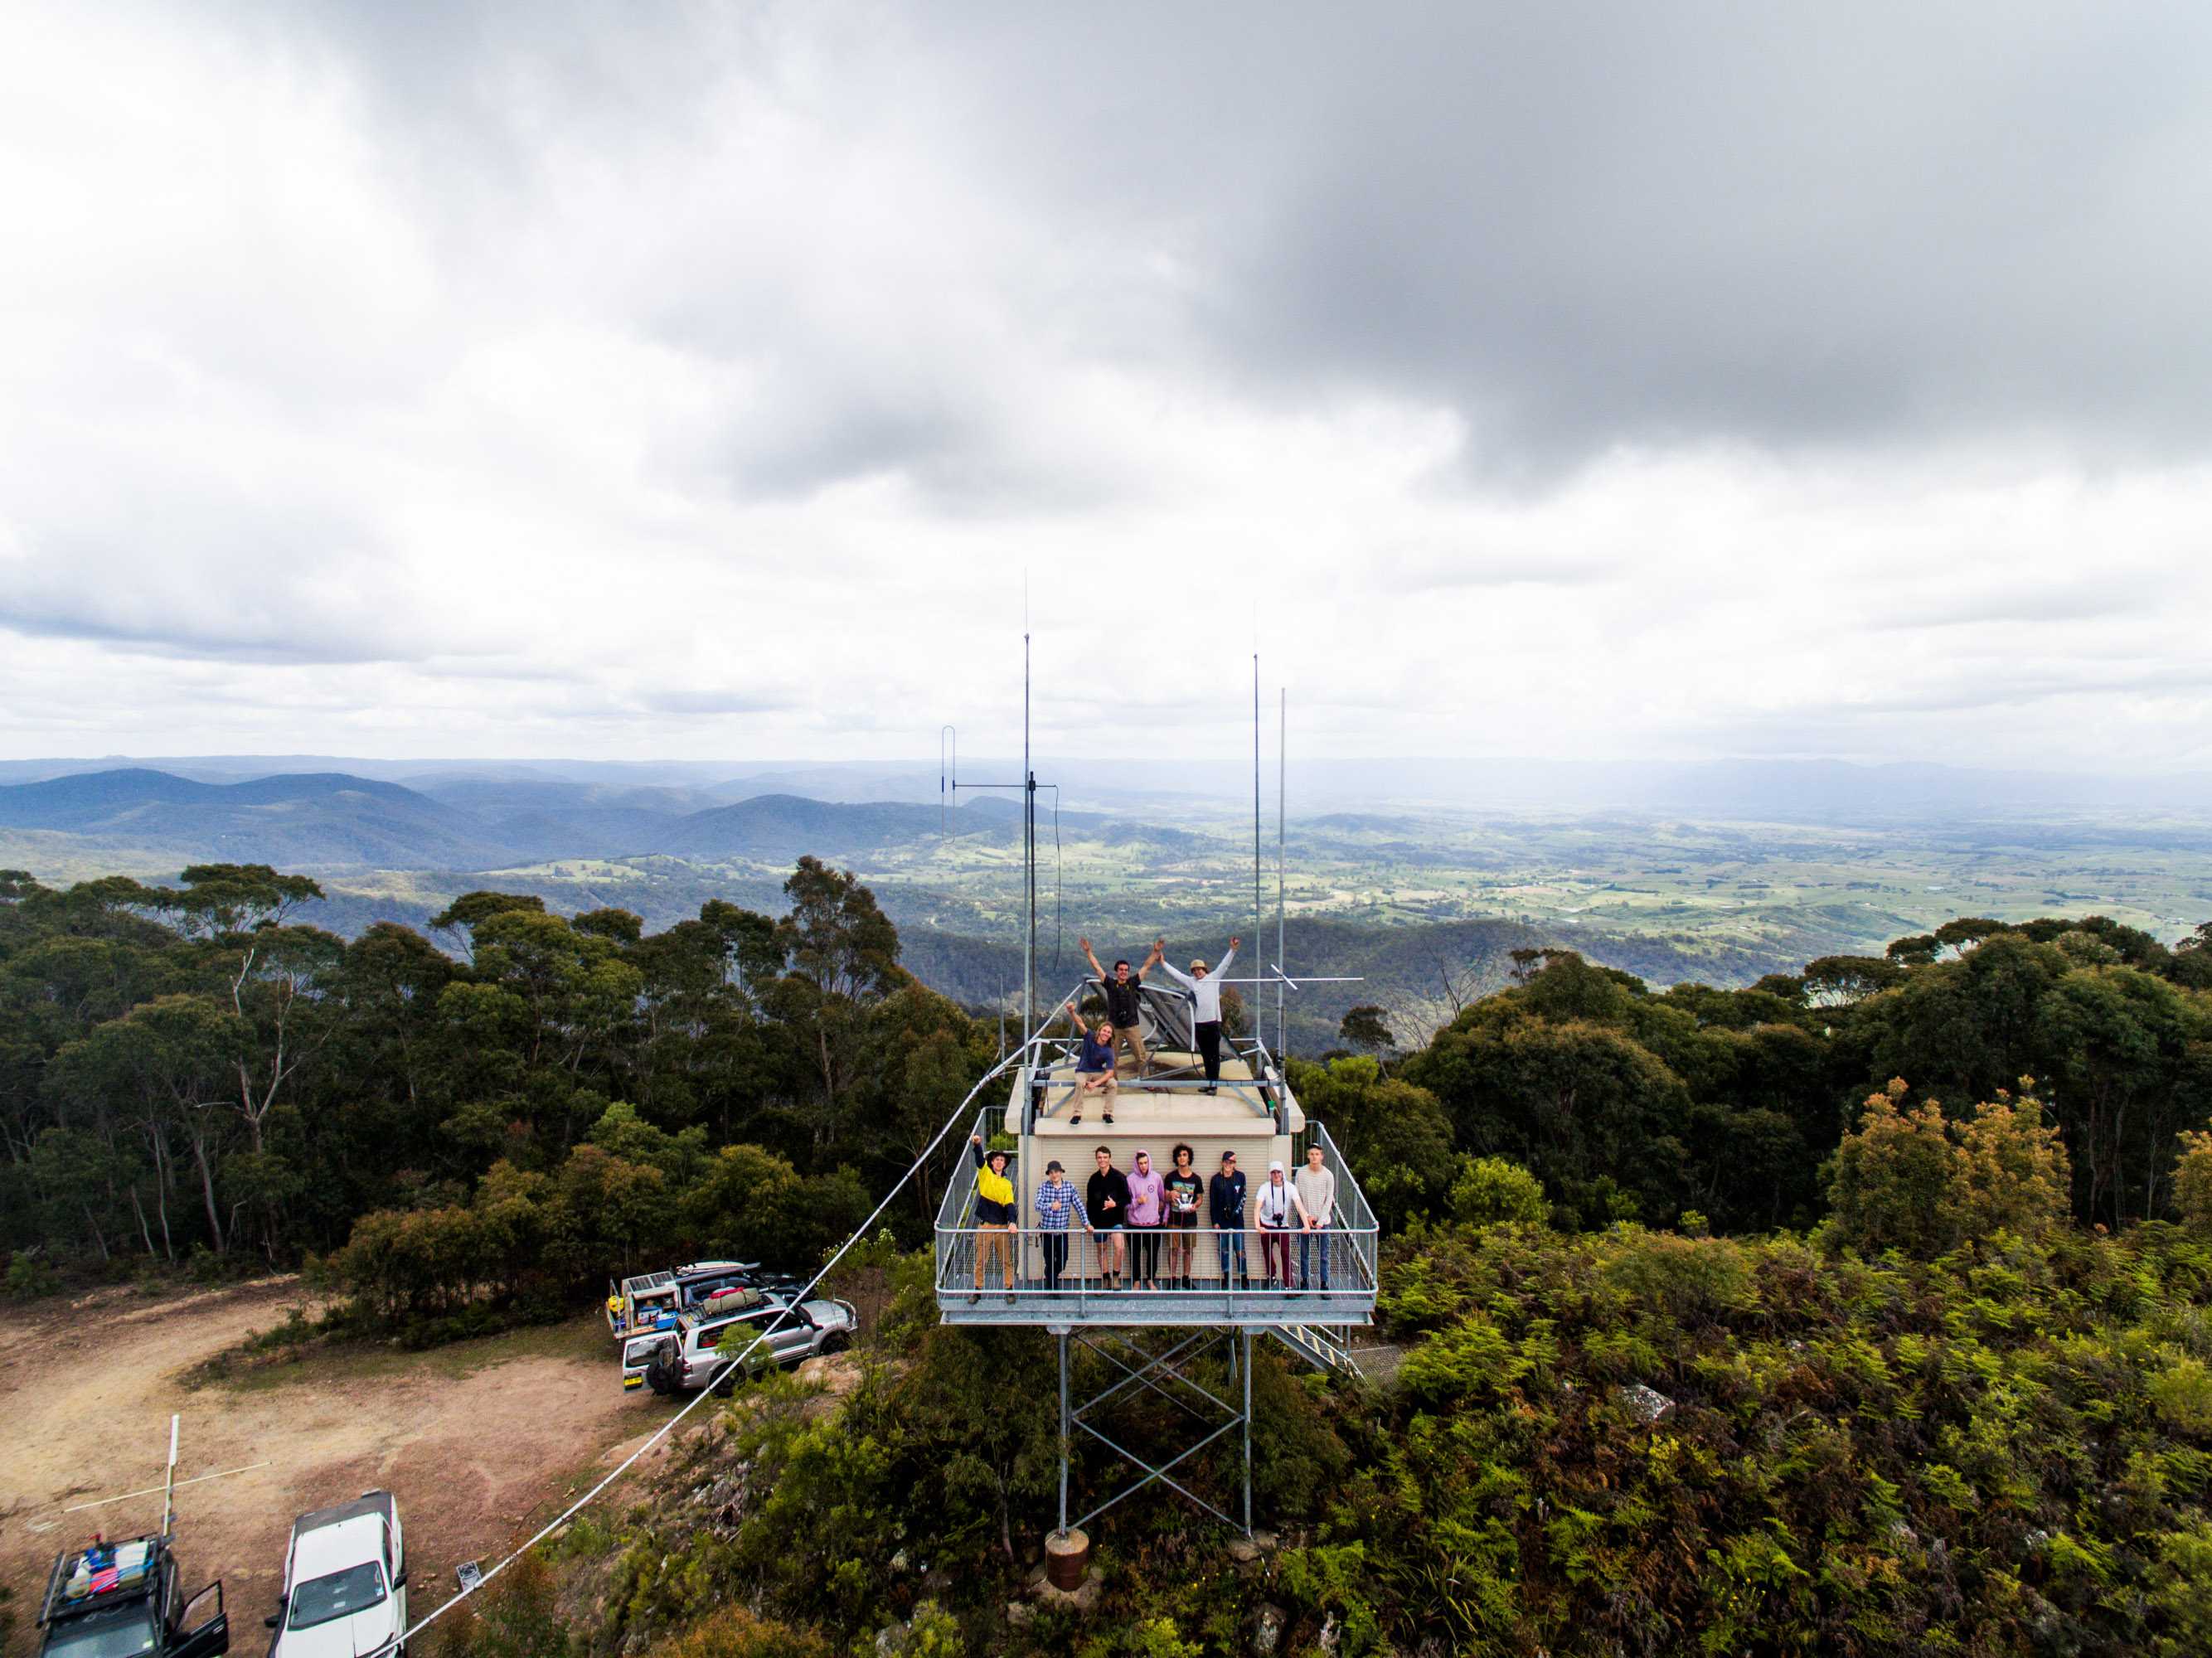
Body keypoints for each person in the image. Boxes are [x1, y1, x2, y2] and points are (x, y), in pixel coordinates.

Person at [1154, 935, 1239, 1093]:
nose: (1197, 972)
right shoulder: (1192, 982)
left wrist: (1232, 950)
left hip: (1213, 1023)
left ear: (1204, 969)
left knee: (1214, 1056)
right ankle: (1209, 1082)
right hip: (1200, 1025)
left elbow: (1224, 965)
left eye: (1199, 969)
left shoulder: (1214, 977)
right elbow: (1176, 975)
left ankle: (1214, 1085)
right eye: (1194, 970)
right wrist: (1163, 963)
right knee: (1206, 1056)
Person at [1080, 935, 1162, 1078]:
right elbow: (1097, 967)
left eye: (1126, 970)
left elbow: (1146, 966)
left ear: (1128, 972)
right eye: (1121, 969)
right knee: (1113, 1058)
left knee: (1141, 1056)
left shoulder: (1132, 982)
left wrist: (1155, 953)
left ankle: (1146, 1081)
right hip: (1114, 1028)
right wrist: (1088, 952)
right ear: (1116, 971)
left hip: (1132, 1026)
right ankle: (1113, 1082)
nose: (1123, 972)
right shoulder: (1110, 984)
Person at [969, 1132, 1020, 1304]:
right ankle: (977, 1290)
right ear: (992, 1162)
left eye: (1002, 1160)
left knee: (1006, 1261)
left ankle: (1009, 1290)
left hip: (1002, 1227)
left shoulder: (1007, 1183)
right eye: (996, 1159)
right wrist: (977, 1145)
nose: (999, 1162)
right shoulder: (985, 1174)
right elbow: (978, 1160)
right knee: (981, 1260)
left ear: (1005, 1164)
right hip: (986, 1226)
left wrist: (1012, 1221)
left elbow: (1010, 1205)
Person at [1033, 1158, 1090, 1292]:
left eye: (1057, 1172)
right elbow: (1037, 1205)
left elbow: (1079, 1206)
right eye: (1051, 1172)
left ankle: (1050, 1276)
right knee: (1049, 1260)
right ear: (1049, 1174)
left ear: (1061, 1172)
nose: (1054, 1175)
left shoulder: (1069, 1187)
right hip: (1047, 1233)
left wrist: (1087, 1224)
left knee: (1062, 1261)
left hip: (1062, 1232)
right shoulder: (1043, 1187)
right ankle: (1053, 1289)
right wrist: (1051, 1206)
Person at [1060, 994, 1118, 1126]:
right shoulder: (1090, 1036)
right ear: (1100, 1031)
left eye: (1109, 1033)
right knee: (1080, 1082)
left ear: (1111, 1036)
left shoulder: (1109, 1050)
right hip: (1083, 1071)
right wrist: (1072, 1012)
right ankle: (1077, 1114)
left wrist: (1095, 1084)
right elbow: (1080, 1023)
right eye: (1104, 1031)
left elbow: (1110, 1073)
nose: (1106, 1034)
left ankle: (1107, 1113)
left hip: (1098, 1072)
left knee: (1113, 1084)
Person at [1293, 1143, 1337, 1291]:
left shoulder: (1328, 1175)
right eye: (1311, 1154)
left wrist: (1320, 1222)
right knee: (1304, 1253)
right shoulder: (1301, 1173)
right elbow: (1297, 1197)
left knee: (1324, 1255)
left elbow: (1329, 1200)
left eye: (1317, 1154)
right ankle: (1304, 1281)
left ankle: (1324, 1283)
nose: (1314, 1157)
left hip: (1323, 1222)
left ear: (1322, 1156)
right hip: (1304, 1220)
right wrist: (1307, 1217)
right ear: (1308, 1156)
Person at [1088, 1146, 1132, 1288]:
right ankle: (1105, 1278)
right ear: (1096, 1159)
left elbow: (1127, 1199)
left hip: (1115, 1220)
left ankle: (1116, 1277)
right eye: (1100, 1157)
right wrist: (1089, 1222)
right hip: (1098, 1222)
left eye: (1105, 1157)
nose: (1102, 1160)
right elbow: (1090, 1203)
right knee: (1101, 1250)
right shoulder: (1093, 1179)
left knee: (1120, 1248)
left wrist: (1115, 1204)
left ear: (1109, 1158)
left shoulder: (1119, 1177)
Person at [1124, 1148, 1166, 1291]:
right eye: (1140, 1163)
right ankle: (1136, 1280)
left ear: (1149, 1162)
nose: (1143, 1166)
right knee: (1135, 1255)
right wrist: (1138, 1202)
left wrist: (1160, 1214)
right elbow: (1125, 1204)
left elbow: (1162, 1199)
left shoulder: (1156, 1178)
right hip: (1134, 1224)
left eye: (1145, 1162)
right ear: (1136, 1164)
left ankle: (1150, 1280)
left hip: (1153, 1224)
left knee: (1153, 1255)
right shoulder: (1130, 1180)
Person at [1164, 1143, 1204, 1290]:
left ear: (1189, 1157)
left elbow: (1200, 1198)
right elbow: (1164, 1196)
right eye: (1179, 1155)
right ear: (1176, 1158)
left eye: (1185, 1155)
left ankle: (1186, 1277)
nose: (1182, 1158)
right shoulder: (1170, 1176)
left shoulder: (1197, 1179)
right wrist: (1170, 1195)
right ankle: (1173, 1278)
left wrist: (1195, 1206)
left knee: (1189, 1249)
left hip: (1190, 1219)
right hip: (1174, 1219)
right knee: (1173, 1249)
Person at [1208, 1149, 1249, 1290]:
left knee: (1240, 1249)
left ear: (1234, 1164)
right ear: (1222, 1162)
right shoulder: (1216, 1179)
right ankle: (1226, 1277)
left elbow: (1243, 1198)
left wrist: (1235, 1213)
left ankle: (1244, 1276)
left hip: (1237, 1220)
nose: (1228, 1165)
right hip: (1221, 1221)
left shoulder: (1240, 1177)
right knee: (1224, 1250)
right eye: (1226, 1162)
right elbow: (1212, 1202)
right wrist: (1215, 1221)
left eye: (1231, 1162)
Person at [1256, 1161, 1295, 1287]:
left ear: (1283, 1173)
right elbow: (1257, 1208)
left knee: (1285, 1253)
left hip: (1282, 1226)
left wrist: (1306, 1223)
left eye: (1278, 1172)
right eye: (1273, 1172)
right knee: (1267, 1252)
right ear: (1270, 1174)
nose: (1276, 1175)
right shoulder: (1265, 1187)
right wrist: (1258, 1225)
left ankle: (1289, 1284)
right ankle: (1271, 1275)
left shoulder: (1289, 1187)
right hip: (1266, 1224)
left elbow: (1299, 1206)